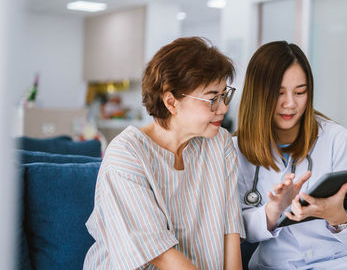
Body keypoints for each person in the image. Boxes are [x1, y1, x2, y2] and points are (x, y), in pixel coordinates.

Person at [84, 37, 245, 270]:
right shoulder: (127, 153)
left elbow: (230, 230)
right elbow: (159, 254)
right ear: (171, 101)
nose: (224, 108)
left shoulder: (220, 144)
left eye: (224, 95)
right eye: (212, 99)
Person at [235, 41, 347, 269]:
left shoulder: (337, 139)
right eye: (279, 93)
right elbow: (234, 227)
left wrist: (337, 217)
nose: (290, 104)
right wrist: (273, 210)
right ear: (258, 94)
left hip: (346, 260)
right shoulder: (234, 149)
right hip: (279, 264)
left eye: (300, 92)